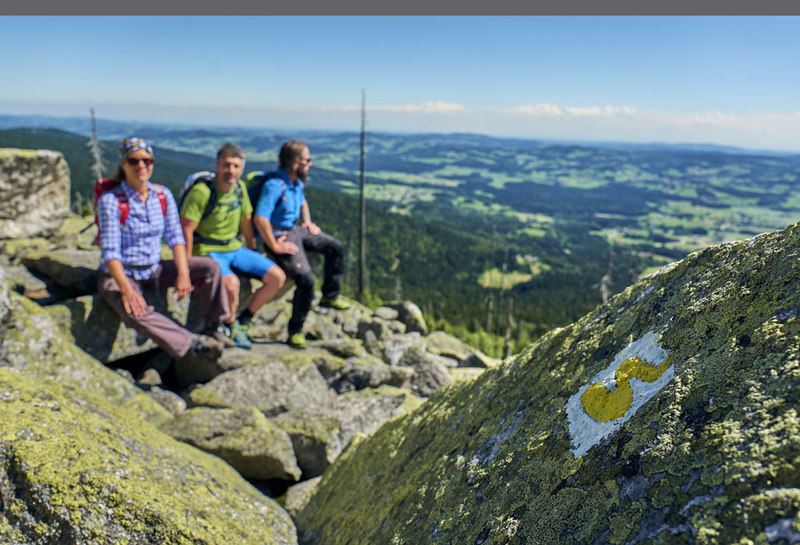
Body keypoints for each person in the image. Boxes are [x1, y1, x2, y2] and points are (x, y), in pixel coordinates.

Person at [96, 136, 230, 363]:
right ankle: (191, 343)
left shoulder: (161, 195)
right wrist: (126, 289)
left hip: (153, 268)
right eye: (134, 161)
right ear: (123, 164)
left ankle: (215, 325)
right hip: (121, 273)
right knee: (134, 310)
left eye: (147, 161)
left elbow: (175, 236)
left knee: (209, 267)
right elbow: (110, 252)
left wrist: (184, 273)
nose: (141, 166)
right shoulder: (111, 201)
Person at [179, 143, 286, 348]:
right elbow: (186, 230)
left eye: (236, 166)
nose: (231, 171)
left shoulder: (239, 188)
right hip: (207, 250)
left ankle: (247, 317)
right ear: (217, 165)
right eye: (226, 165)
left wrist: (252, 251)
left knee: (277, 278)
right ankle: (231, 324)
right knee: (232, 285)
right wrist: (187, 266)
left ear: (242, 169)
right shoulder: (202, 192)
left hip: (234, 248)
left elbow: (246, 220)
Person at [253, 140, 348, 349]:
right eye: (307, 160)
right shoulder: (275, 185)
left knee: (335, 247)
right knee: (305, 278)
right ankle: (295, 331)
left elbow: (302, 201)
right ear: (295, 162)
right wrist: (275, 247)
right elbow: (261, 218)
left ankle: (329, 297)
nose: (310, 164)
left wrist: (306, 221)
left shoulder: (296, 182)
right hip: (279, 236)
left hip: (296, 230)